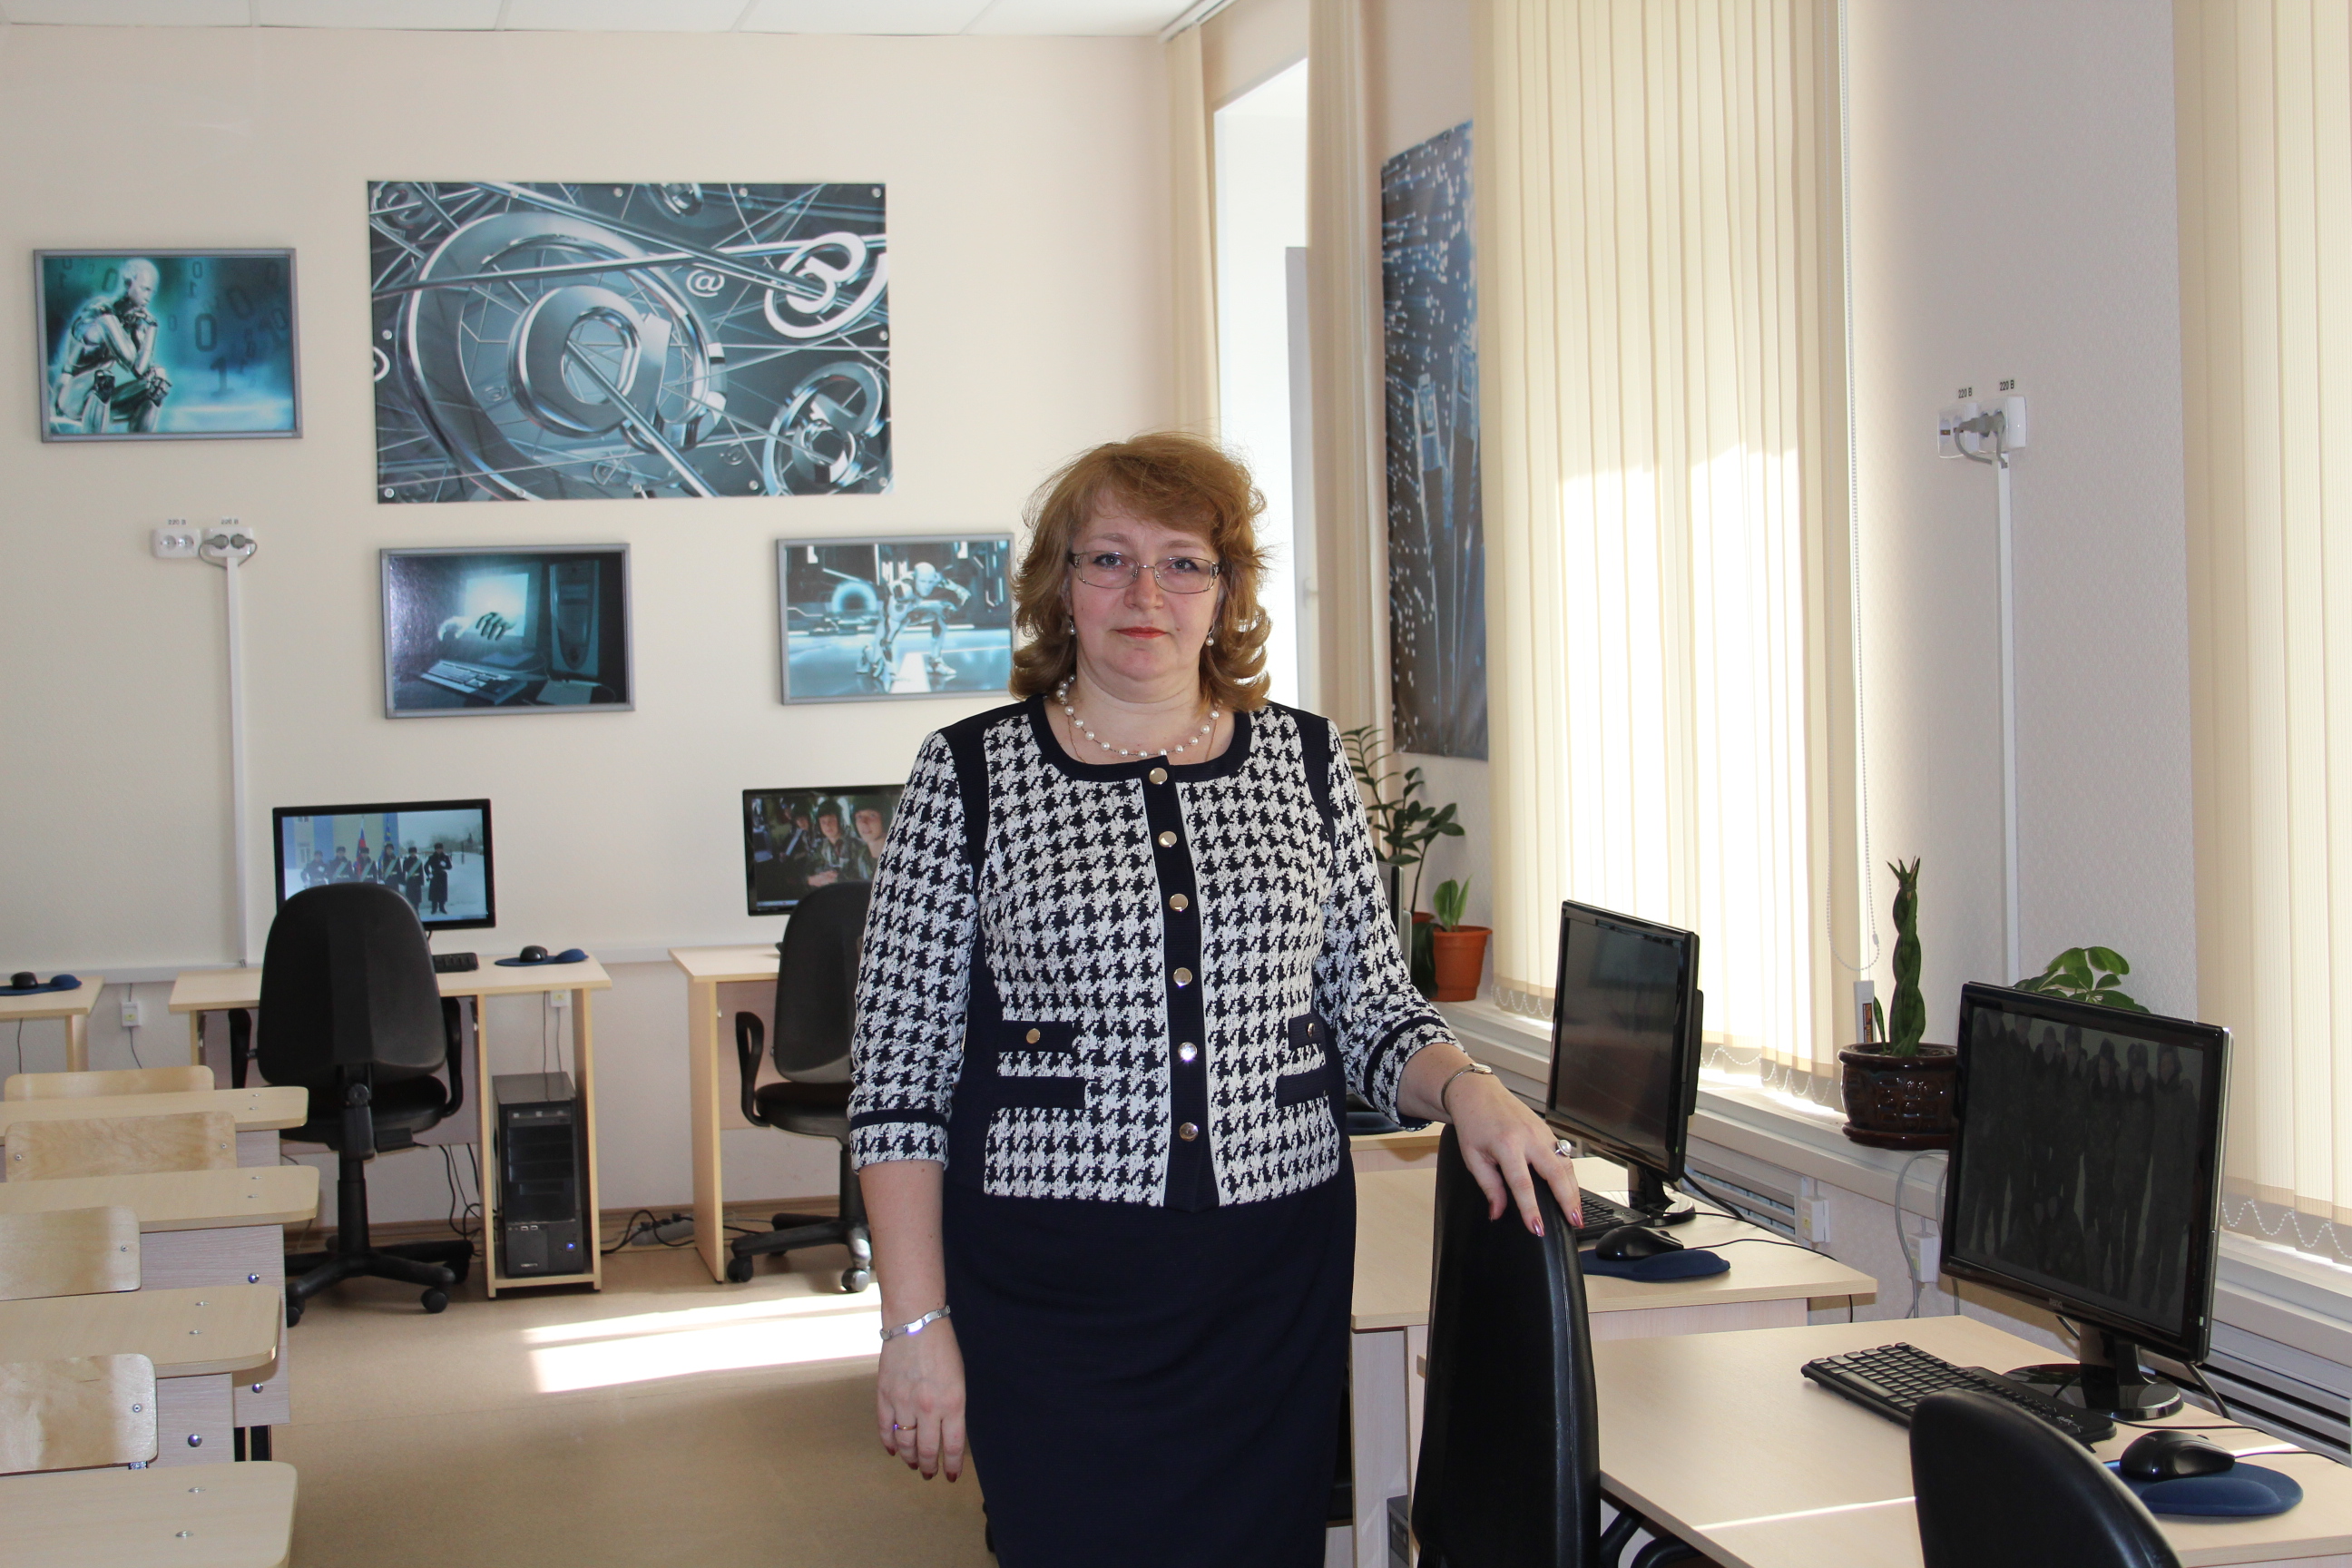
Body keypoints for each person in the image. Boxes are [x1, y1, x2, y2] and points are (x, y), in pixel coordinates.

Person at [848, 433, 1581, 1567]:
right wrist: (914, 1322)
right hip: (1048, 1294)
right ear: (1061, 585)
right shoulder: (970, 776)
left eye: (1183, 562)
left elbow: (1373, 1009)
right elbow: (899, 1086)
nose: (1146, 593)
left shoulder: (1307, 764)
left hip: (1267, 1288)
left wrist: (1470, 1088)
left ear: (1226, 589)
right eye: (1108, 559)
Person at [426, 847, 452, 916]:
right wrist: (429, 874)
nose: (439, 850)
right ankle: (434, 909)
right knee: (434, 892)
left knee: (442, 892)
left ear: (442, 849)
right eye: (437, 849)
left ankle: (442, 908)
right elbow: (426, 866)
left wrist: (445, 865)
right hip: (434, 876)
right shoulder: (432, 857)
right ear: (435, 850)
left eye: (440, 849)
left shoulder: (446, 857)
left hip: (442, 876)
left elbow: (450, 867)